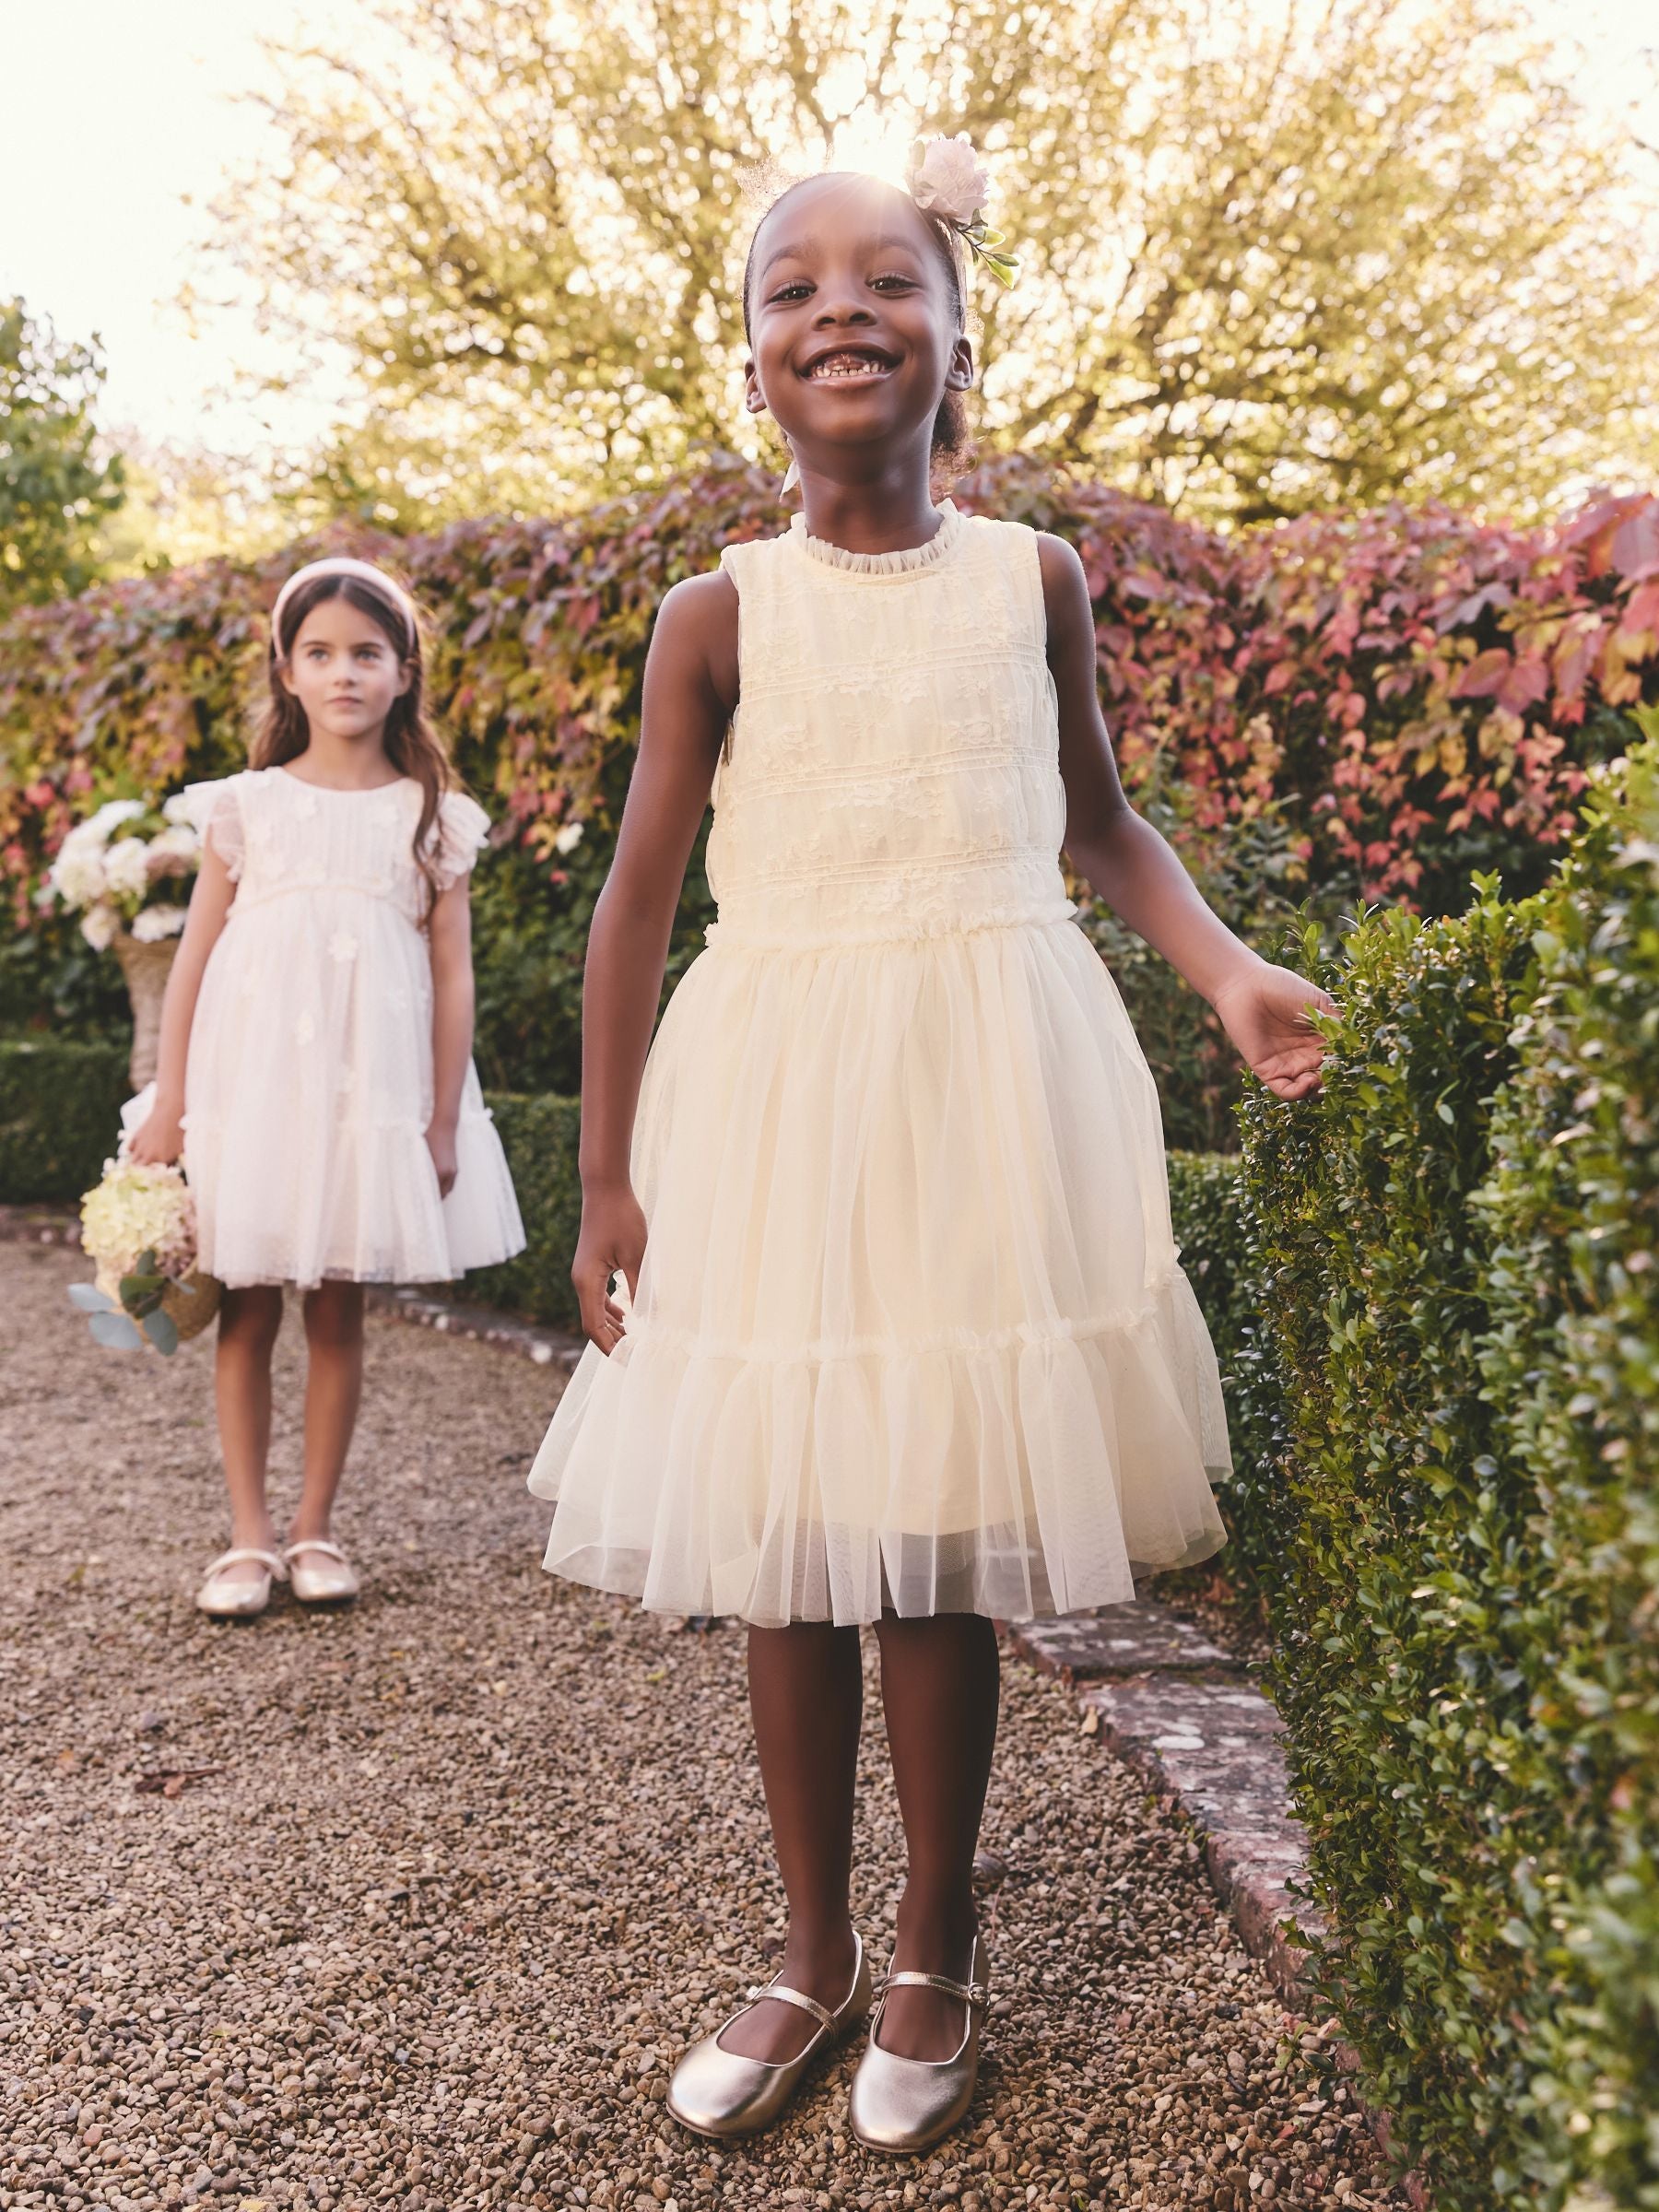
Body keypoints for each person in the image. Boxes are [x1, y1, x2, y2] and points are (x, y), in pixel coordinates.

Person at [525, 135, 1335, 2156]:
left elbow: (1104, 825)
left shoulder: (1031, 582)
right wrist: (607, 1173)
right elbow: (636, 906)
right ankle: (806, 1948)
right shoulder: (715, 617)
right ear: (752, 364)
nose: (841, 312)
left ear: (961, 334)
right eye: (795, 289)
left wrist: (1227, 975)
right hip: (783, 1086)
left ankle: (932, 1935)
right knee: (794, 1535)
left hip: (981, 1072)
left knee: (936, 1537)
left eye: (888, 279)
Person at [128, 556, 525, 1619]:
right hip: (253, 1092)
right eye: (320, 653)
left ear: (404, 672)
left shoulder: (431, 812)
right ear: (287, 672)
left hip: (366, 1102)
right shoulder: (247, 808)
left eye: (366, 653)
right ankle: (247, 1540)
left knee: (340, 1311)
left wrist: (441, 1120)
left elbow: (453, 975)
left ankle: (315, 1529)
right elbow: (196, 959)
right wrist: (169, 1101)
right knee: (245, 1312)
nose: (344, 672)